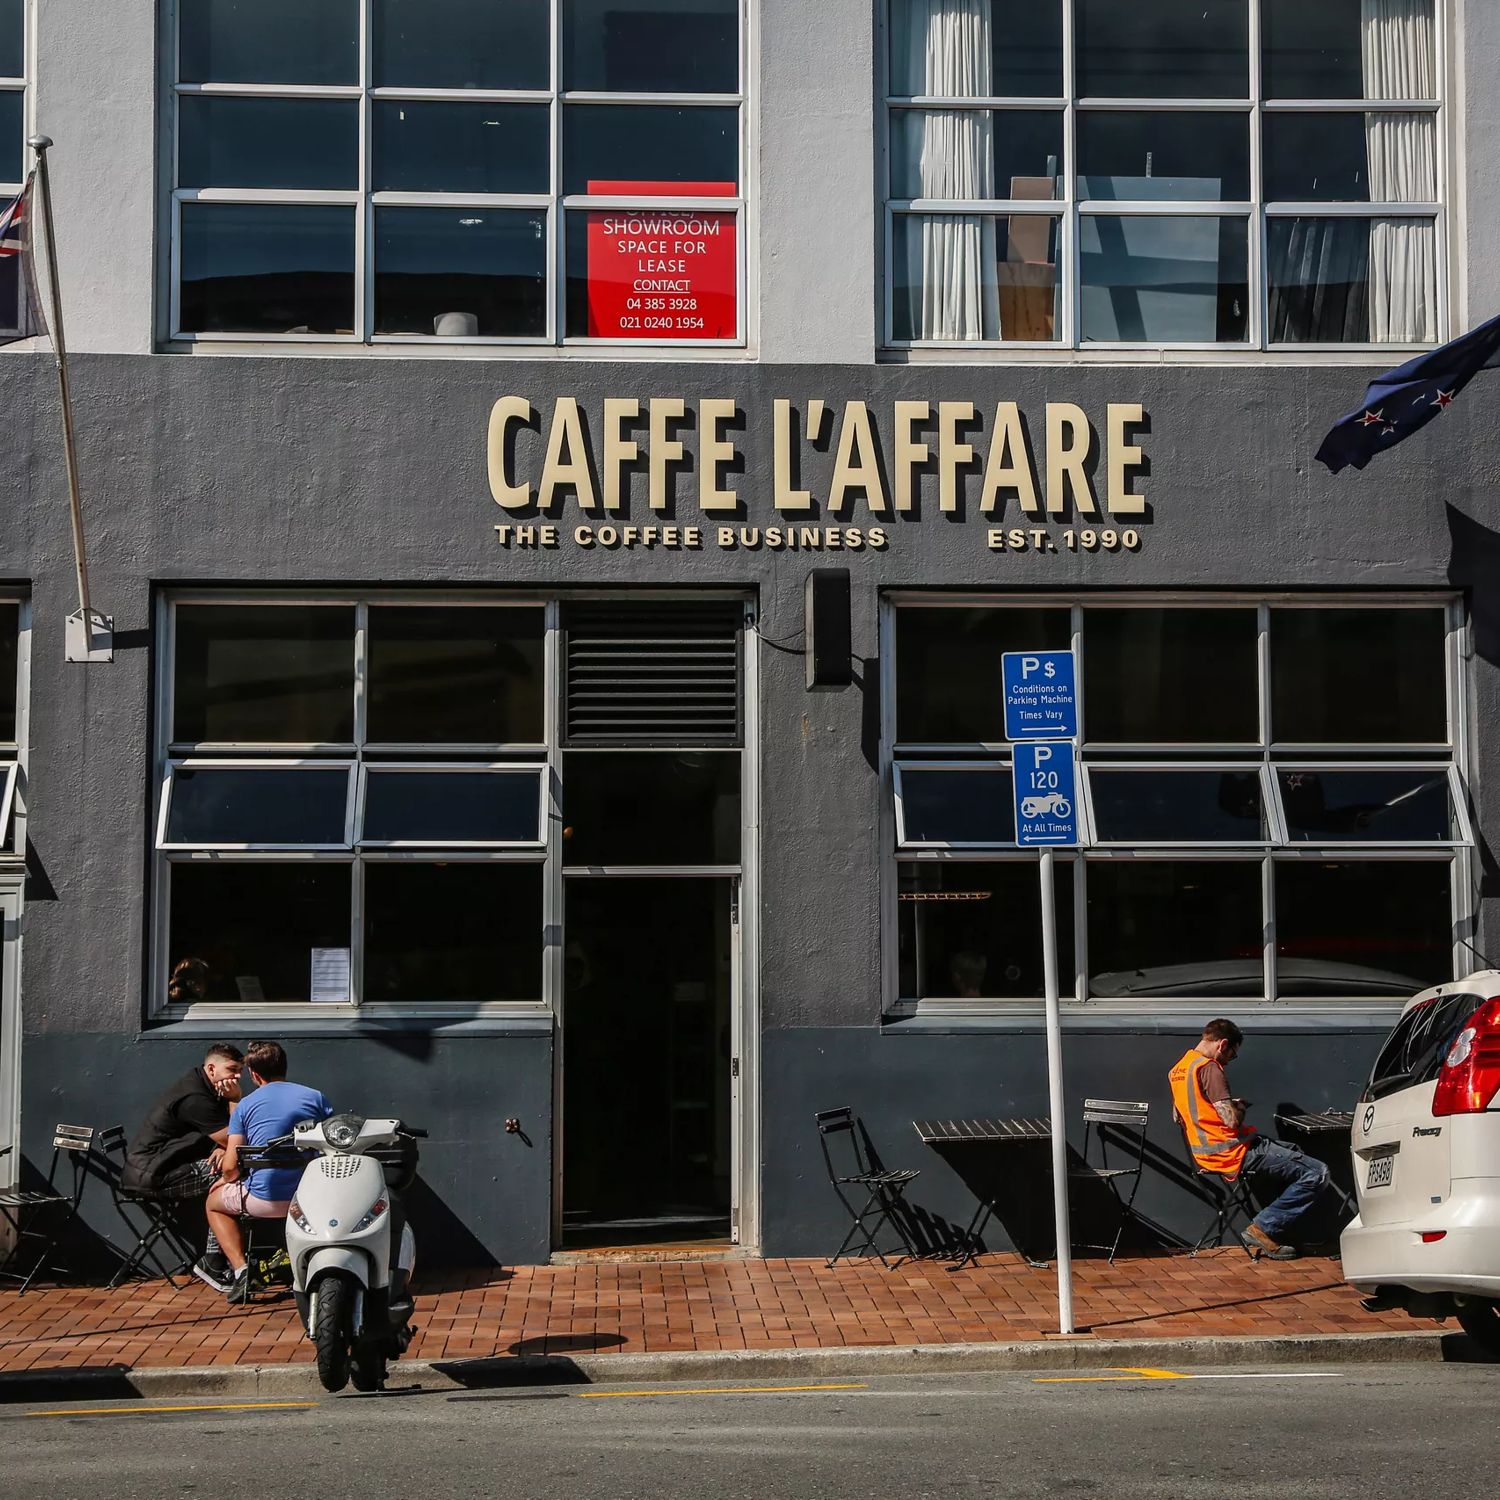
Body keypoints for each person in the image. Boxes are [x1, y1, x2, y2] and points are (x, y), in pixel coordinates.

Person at [1168, 1018, 1331, 1259]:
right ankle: (1263, 1227)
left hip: (1205, 1154)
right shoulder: (1209, 1068)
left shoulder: (1179, 1070)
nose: (1229, 1060)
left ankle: (1277, 1229)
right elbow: (1231, 1121)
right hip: (1233, 1152)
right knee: (1318, 1173)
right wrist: (1239, 1107)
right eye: (1232, 1055)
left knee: (1294, 1151)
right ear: (1223, 1044)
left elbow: (1179, 1116)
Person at [200, 1040, 333, 1302]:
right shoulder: (315, 1097)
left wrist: (228, 1180)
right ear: (284, 1067)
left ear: (254, 1074)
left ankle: (241, 1270)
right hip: (308, 1200)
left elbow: (229, 1168)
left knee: (213, 1203)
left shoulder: (246, 1105)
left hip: (262, 1200)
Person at [123, 1040, 243, 1201]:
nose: (238, 1076)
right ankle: (219, 1224)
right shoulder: (195, 1098)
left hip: (156, 1167)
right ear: (212, 1069)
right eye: (232, 1069)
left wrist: (222, 1147)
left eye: (240, 1071)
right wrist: (235, 1100)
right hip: (152, 1176)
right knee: (233, 1172)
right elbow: (234, 1143)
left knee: (229, 1163)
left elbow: (227, 1140)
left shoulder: (202, 1083)